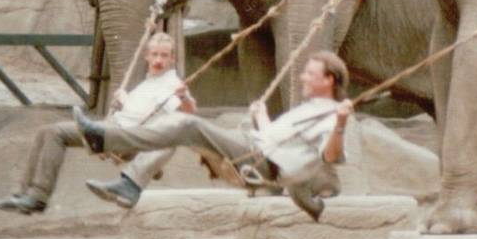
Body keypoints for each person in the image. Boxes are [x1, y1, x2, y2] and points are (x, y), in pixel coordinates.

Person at [79, 51, 353, 219]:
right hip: (254, 152)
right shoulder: (308, 109)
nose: (303, 77)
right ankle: (130, 184)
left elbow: (330, 155)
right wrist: (261, 117)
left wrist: (340, 122)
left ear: (329, 79)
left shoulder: (330, 114)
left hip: (256, 162)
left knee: (188, 125)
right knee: (177, 129)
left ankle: (104, 139)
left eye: (310, 73)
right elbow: (277, 141)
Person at [0, 31, 192, 214]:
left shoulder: (172, 84)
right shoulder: (147, 82)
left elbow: (189, 112)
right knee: (50, 132)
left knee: (81, 128)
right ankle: (31, 196)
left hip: (127, 136)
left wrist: (184, 98)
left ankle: (93, 133)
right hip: (115, 125)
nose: (158, 60)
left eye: (164, 55)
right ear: (146, 56)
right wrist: (124, 100)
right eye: (155, 54)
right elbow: (139, 111)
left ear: (172, 58)